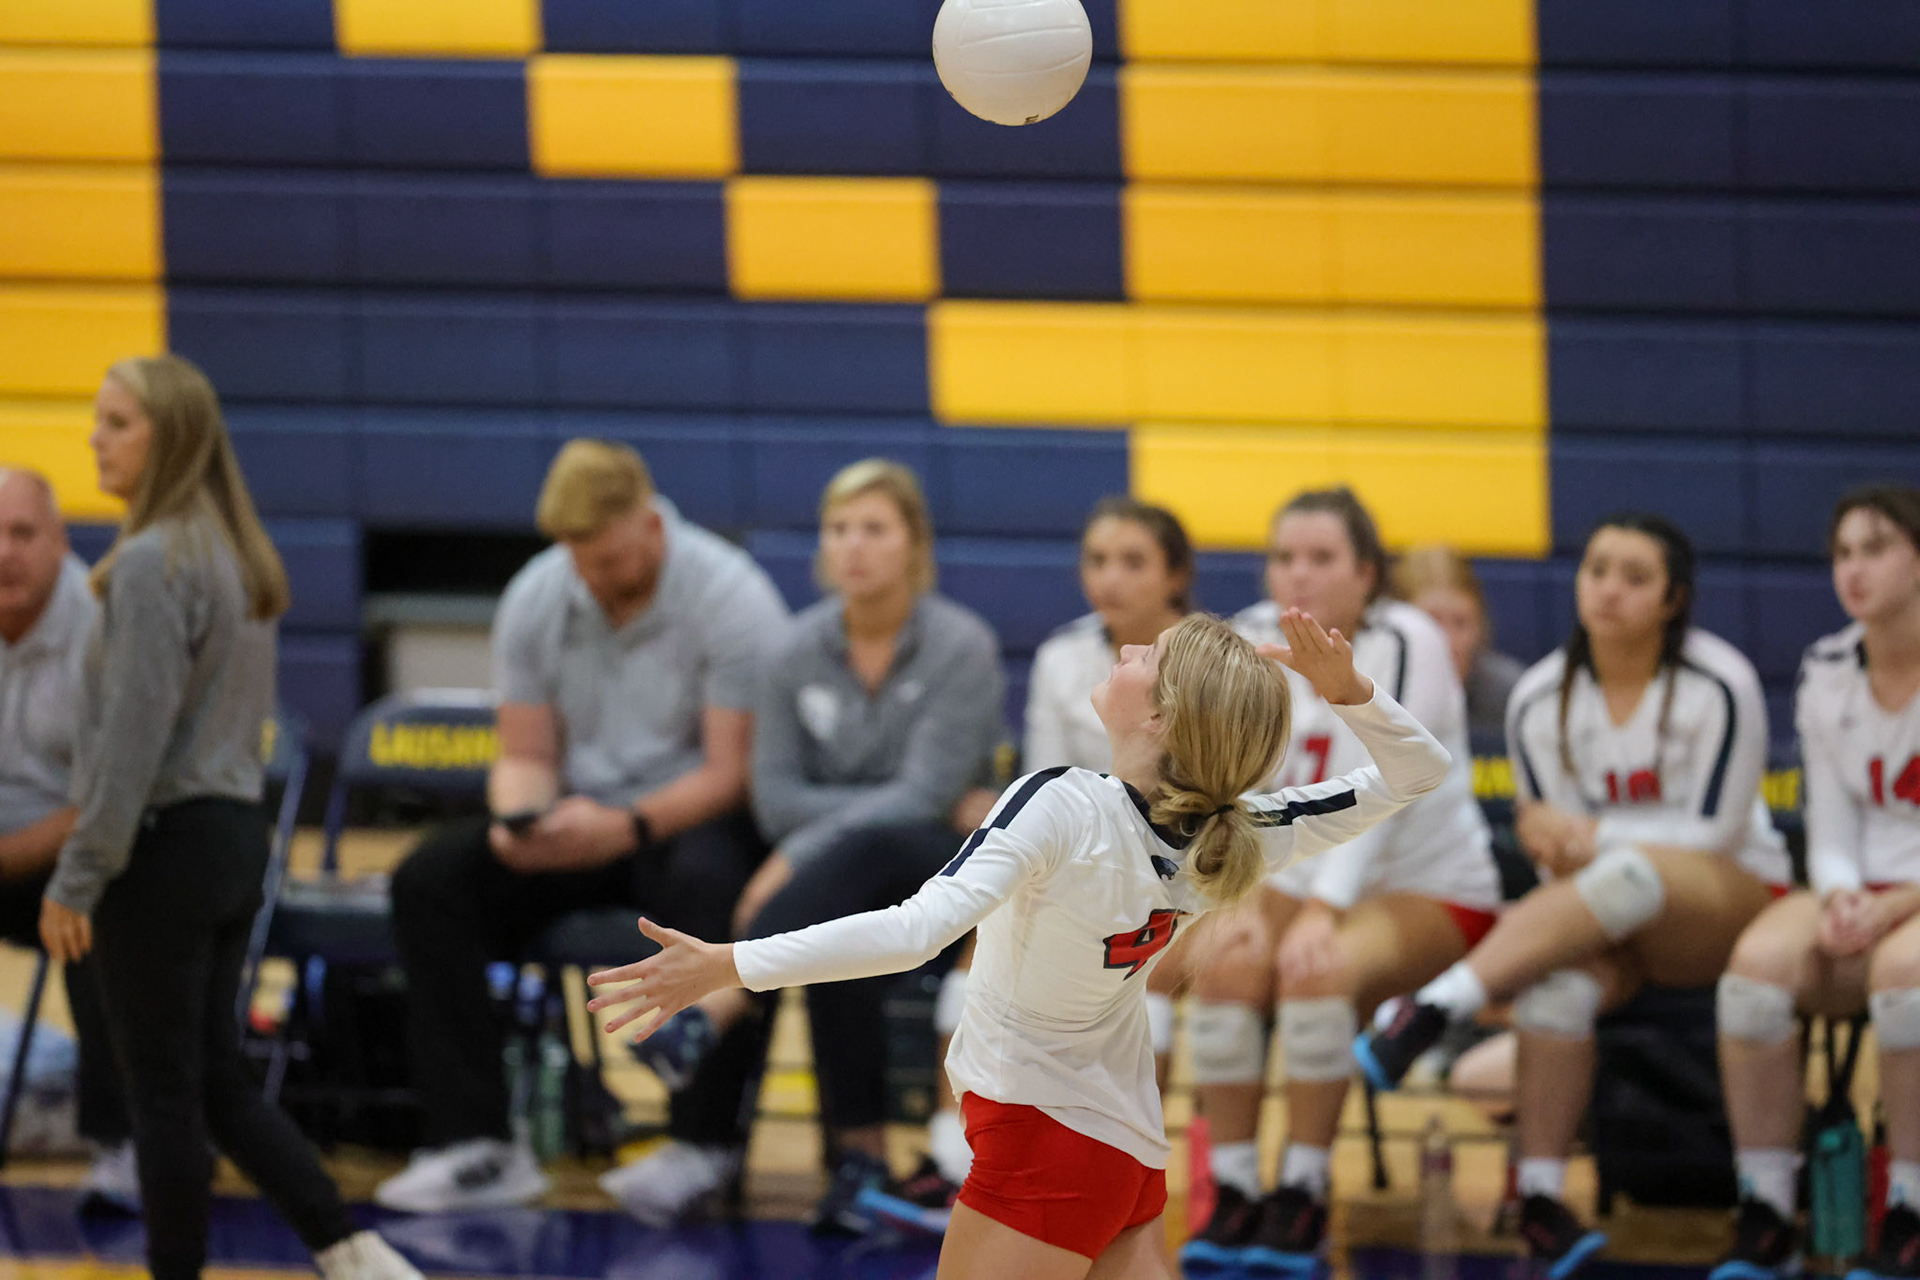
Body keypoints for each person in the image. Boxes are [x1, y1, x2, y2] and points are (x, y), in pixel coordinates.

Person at [587, 610, 1452, 1280]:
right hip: (1125, 1150)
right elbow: (1420, 772)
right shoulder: (1241, 829)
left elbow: (914, 932)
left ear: (1161, 716)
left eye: (1153, 657)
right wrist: (1349, 692)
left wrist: (730, 962)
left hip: (1044, 1146)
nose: (1132, 650)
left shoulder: (1066, 801)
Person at [41, 355, 416, 1280]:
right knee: (213, 1078)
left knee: (161, 1094)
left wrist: (79, 874)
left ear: (167, 437)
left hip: (162, 850)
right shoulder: (231, 551)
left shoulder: (150, 563)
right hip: (232, 841)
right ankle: (352, 1250)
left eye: (117, 421)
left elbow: (132, 743)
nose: (96, 436)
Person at [1357, 513, 1791, 1278]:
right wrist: (1568, 844)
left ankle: (1436, 1004)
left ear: (1672, 599)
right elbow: (1562, 860)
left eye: (1635, 577)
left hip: (1728, 904)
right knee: (1555, 991)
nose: (1610, 591)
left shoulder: (1717, 682)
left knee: (1628, 872)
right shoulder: (1539, 698)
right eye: (1597, 571)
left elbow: (1715, 832)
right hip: (1615, 918)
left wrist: (1593, 836)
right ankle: (1543, 1203)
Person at [376, 439, 790, 1222]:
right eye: (577, 559)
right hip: (581, 818)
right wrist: (517, 820)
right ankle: (478, 1145)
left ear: (648, 519)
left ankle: (702, 1143)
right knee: (431, 881)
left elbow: (732, 771)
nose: (590, 576)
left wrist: (626, 825)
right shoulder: (539, 594)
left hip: (684, 815)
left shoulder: (730, 596)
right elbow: (525, 752)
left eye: (605, 558)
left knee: (712, 885)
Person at [630, 459, 1005, 1231]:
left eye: (874, 529)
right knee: (840, 932)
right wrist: (811, 847)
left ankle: (723, 999)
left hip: (940, 874)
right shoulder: (792, 651)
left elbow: (926, 797)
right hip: (838, 887)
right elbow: (774, 797)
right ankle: (859, 1163)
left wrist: (798, 854)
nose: (855, 547)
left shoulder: (962, 646)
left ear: (914, 545)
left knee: (866, 861)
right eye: (839, 529)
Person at [1180, 488, 1502, 1270]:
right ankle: (1232, 1192)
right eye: (1285, 556)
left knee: (1313, 972)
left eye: (1322, 558)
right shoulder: (1251, 636)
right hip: (1297, 877)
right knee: (1224, 964)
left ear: (1366, 573)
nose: (1299, 574)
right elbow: (1225, 784)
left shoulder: (1411, 638)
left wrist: (1320, 908)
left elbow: (1389, 788)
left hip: (1431, 885)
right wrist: (1239, 894)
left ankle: (1303, 1192)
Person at [885, 496, 1199, 1230]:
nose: (1109, 579)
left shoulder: (1210, 664)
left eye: (1132, 562)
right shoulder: (1063, 656)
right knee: (976, 957)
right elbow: (1043, 780)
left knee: (1145, 990)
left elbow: (1226, 791)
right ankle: (951, 1162)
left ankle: (1129, 1162)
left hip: (1177, 871)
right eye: (1096, 560)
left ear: (1176, 574)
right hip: (1075, 864)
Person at [1711, 485, 1920, 1280]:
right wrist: (1837, 896)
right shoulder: (1828, 668)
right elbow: (1828, 828)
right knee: (1751, 981)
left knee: (1906, 977)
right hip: (1864, 888)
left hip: (1912, 900)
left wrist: (1897, 904)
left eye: (1877, 547)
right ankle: (1766, 1211)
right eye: (1843, 552)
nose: (1855, 569)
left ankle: (1907, 1209)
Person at [0, 468, 135, 1211]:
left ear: (59, 541)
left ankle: (121, 1145)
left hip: (75, 855)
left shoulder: (102, 630)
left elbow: (104, 806)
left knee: (103, 908)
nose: (5, 553)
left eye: (23, 533)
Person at [1393, 544, 1528, 756]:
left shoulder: (1512, 697)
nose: (1448, 642)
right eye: (1432, 622)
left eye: (1461, 622)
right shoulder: (1367, 694)